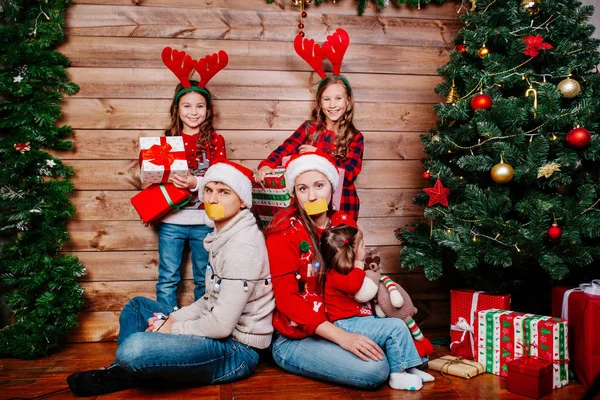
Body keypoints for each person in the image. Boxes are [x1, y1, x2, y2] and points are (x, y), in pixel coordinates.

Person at [67, 160, 275, 397]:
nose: (212, 199)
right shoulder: (223, 234)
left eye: (224, 192)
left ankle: (124, 371)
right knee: (137, 308)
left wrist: (172, 329)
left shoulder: (242, 247)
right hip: (216, 329)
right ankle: (126, 372)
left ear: (242, 202)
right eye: (208, 190)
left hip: (236, 350)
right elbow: (208, 301)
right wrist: (171, 318)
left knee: (134, 348)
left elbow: (221, 326)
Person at [265, 151, 420, 389]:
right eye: (302, 188)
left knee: (398, 337)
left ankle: (400, 363)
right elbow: (287, 300)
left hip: (346, 321)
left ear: (331, 186)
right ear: (294, 192)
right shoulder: (283, 231)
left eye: (319, 185)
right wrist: (343, 339)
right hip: (298, 337)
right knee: (375, 370)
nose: (312, 195)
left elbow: (357, 272)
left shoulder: (344, 221)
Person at [255, 29, 364, 222]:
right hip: (310, 205)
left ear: (348, 101)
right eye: (326, 99)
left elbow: (348, 176)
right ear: (320, 103)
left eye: (338, 98)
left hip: (343, 205)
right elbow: (284, 149)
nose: (332, 105)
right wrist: (266, 165)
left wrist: (319, 155)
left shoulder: (355, 137)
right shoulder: (309, 129)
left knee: (339, 250)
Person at [319, 222, 435, 390]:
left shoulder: (350, 270)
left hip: (362, 320)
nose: (366, 249)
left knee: (398, 324)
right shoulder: (336, 274)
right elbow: (354, 286)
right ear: (351, 251)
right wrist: (359, 265)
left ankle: (411, 367)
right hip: (347, 324)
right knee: (395, 327)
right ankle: (398, 374)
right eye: (363, 245)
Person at [154, 47, 228, 308]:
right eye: (187, 106)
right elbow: (153, 176)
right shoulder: (166, 141)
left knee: (203, 277)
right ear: (177, 109)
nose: (193, 112)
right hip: (171, 218)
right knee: (167, 277)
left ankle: (201, 324)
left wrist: (196, 183)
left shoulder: (216, 140)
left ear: (208, 110)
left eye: (200, 106)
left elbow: (220, 179)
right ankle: (163, 323)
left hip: (203, 220)